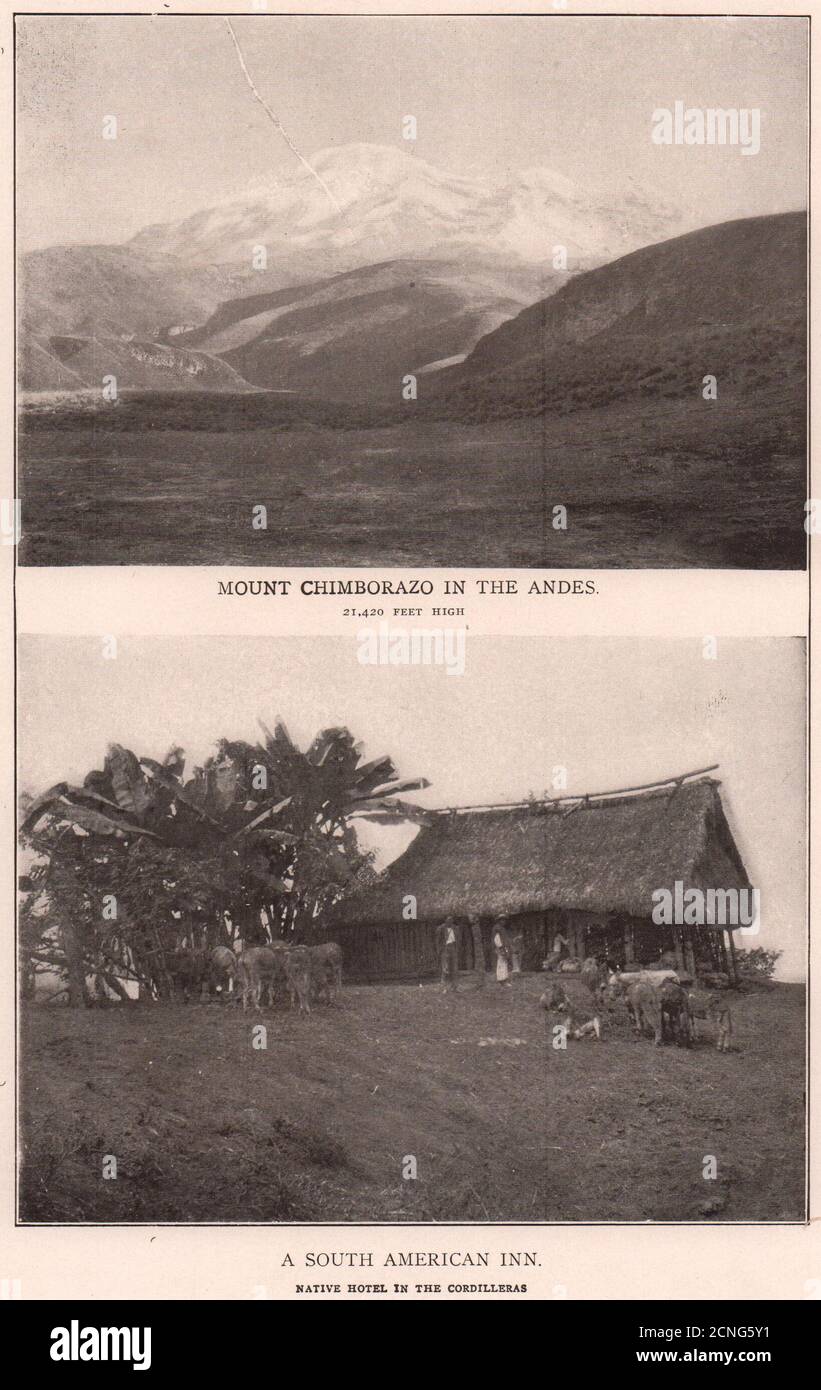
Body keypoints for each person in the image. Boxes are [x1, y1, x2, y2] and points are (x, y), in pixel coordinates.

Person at [435, 916, 459, 993]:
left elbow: (458, 939)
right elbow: (438, 941)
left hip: (453, 948)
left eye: (451, 919)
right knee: (445, 968)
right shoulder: (441, 928)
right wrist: (439, 951)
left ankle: (454, 987)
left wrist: (456, 949)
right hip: (445, 949)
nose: (450, 921)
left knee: (454, 969)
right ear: (445, 920)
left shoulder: (455, 928)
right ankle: (444, 988)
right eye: (448, 919)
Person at [493, 917, 513, 986]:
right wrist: (501, 948)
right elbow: (497, 939)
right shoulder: (497, 928)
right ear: (499, 920)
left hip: (504, 947)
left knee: (504, 962)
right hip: (501, 947)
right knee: (502, 962)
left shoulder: (502, 928)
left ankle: (504, 979)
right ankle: (502, 980)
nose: (504, 921)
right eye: (502, 920)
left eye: (504, 920)